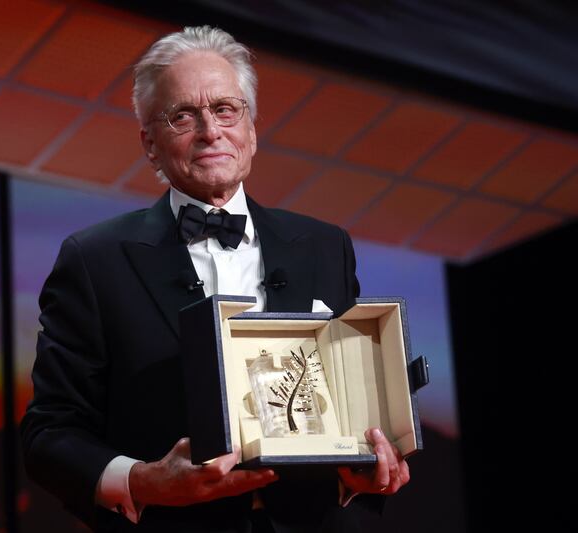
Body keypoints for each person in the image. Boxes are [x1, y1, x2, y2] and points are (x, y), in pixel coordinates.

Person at [21, 25, 410, 533]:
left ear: (250, 129)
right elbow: (49, 432)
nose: (210, 131)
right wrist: (143, 480)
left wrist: (366, 469)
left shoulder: (325, 246)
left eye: (226, 110)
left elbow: (351, 407)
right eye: (183, 115)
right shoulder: (94, 260)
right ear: (150, 143)